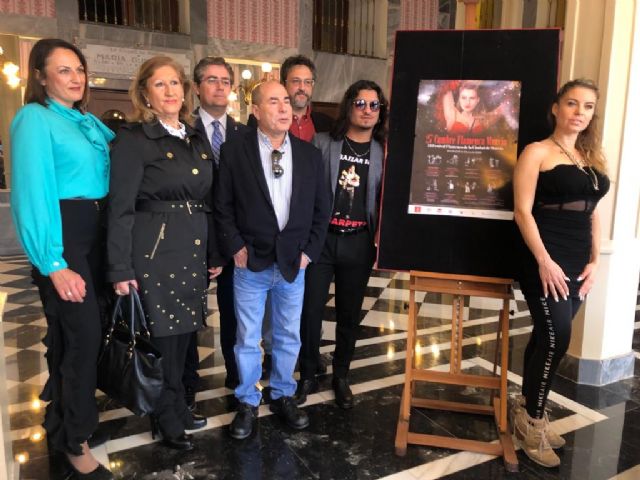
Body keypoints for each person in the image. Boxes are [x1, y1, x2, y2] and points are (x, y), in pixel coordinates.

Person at [10, 38, 115, 478]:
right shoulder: (34, 118)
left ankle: (61, 420)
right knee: (84, 339)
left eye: (80, 70)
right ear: (40, 76)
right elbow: (33, 193)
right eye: (64, 70)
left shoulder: (84, 120)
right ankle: (76, 440)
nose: (76, 78)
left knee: (75, 337)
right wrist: (52, 262)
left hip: (97, 233)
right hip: (65, 238)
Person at [107, 56, 223, 452]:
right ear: (144, 93)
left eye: (175, 83)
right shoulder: (133, 140)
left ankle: (176, 404)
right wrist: (119, 266)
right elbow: (120, 208)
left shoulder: (194, 136)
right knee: (163, 338)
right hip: (154, 252)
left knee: (184, 338)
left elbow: (208, 200)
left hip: (190, 248)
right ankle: (166, 415)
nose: (171, 91)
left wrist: (213, 252)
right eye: (160, 85)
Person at [215, 80, 330, 439]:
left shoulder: (309, 154)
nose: (283, 108)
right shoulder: (236, 150)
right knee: (248, 337)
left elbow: (321, 209)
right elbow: (223, 206)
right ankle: (247, 402)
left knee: (288, 335)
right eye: (273, 102)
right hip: (250, 262)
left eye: (285, 101)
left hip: (293, 263)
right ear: (255, 110)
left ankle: (283, 395)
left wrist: (309, 252)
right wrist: (234, 245)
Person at [513, 79, 609, 467]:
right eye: (572, 103)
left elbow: (594, 212)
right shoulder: (536, 152)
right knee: (558, 340)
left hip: (577, 263)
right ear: (556, 107)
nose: (579, 113)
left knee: (545, 337)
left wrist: (595, 260)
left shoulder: (590, 157)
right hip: (544, 260)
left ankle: (527, 409)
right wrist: (544, 260)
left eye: (587, 107)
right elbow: (522, 212)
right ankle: (532, 423)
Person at [296, 80, 387, 408]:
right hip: (322, 240)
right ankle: (307, 373)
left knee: (350, 314)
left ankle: (341, 375)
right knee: (310, 311)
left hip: (359, 242)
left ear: (380, 112)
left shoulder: (382, 151)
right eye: (360, 103)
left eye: (373, 105)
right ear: (348, 107)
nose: (366, 110)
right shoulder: (323, 143)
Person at [183, 57, 248, 409]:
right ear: (196, 88)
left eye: (225, 80)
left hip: (234, 239)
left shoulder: (244, 133)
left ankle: (237, 373)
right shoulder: (182, 130)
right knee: (189, 314)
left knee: (234, 311)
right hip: (191, 236)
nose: (220, 86)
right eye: (211, 79)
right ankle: (187, 381)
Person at [248, 54, 333, 141]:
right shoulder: (260, 120)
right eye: (296, 81)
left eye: (307, 82)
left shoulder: (328, 124)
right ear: (283, 84)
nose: (302, 88)